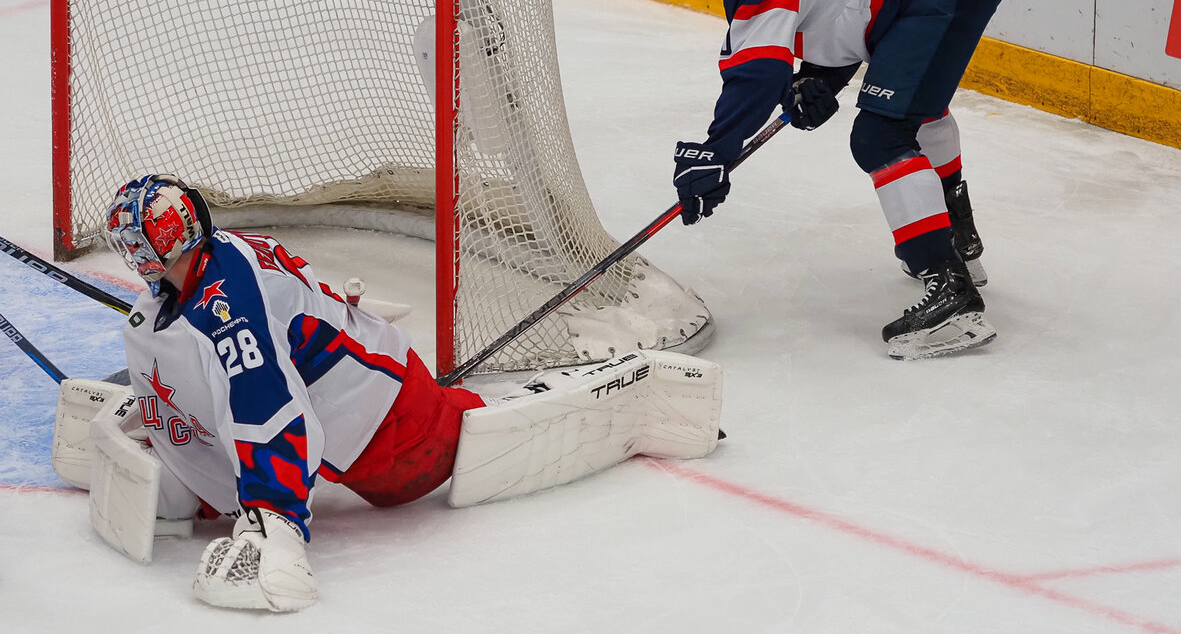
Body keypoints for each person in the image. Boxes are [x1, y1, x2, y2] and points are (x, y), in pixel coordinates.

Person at [63, 174, 723, 612]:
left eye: (138, 248)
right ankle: (191, 475)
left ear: (159, 244)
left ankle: (611, 399)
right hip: (364, 396)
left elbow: (268, 408)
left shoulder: (227, 301)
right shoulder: (205, 272)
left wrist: (273, 525)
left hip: (390, 426)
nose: (135, 261)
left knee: (454, 443)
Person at [662, 0, 1011, 359]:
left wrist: (716, 151)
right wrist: (820, 80)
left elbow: (758, 75)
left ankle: (951, 291)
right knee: (915, 111)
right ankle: (956, 241)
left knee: (880, 136)